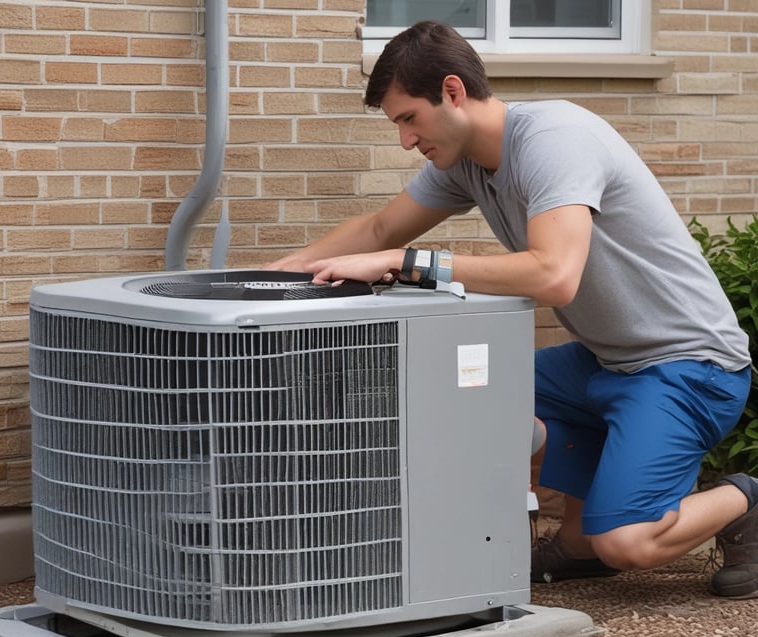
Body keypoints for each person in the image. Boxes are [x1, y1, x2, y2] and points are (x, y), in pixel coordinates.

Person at [268, 20, 758, 598]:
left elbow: (554, 275)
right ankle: (580, 537)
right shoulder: (465, 162)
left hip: (690, 368)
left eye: (408, 119)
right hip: (607, 361)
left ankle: (746, 499)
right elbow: (378, 228)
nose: (405, 140)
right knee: (449, 388)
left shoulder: (556, 140)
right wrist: (273, 278)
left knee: (626, 541)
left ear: (452, 91)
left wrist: (407, 262)